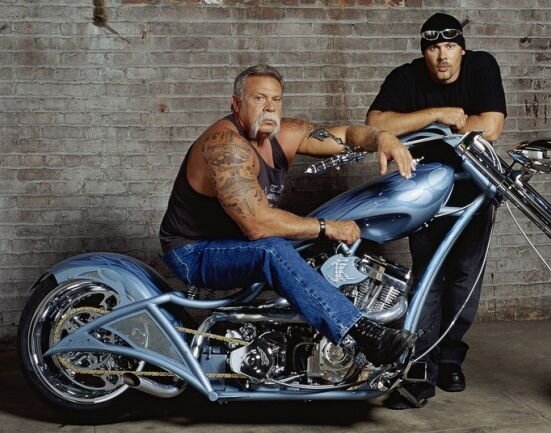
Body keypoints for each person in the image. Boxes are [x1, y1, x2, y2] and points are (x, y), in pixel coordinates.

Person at [159, 64, 417, 366]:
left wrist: (382, 137)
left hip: (237, 243)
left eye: (276, 99)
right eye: (259, 98)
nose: (269, 107)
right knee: (273, 250)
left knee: (309, 249)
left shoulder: (286, 134)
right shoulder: (226, 147)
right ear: (236, 104)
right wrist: (326, 227)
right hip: (194, 252)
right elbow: (257, 225)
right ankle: (362, 334)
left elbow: (346, 135)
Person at [367, 12, 506, 409]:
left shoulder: (482, 66)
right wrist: (437, 115)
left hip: (473, 189)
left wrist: (414, 129)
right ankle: (420, 368)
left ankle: (449, 358)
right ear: (424, 52)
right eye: (433, 48)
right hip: (425, 192)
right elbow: (376, 123)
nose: (442, 56)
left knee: (463, 278)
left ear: (461, 49)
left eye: (449, 47)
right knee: (428, 278)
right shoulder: (406, 77)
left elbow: (491, 126)